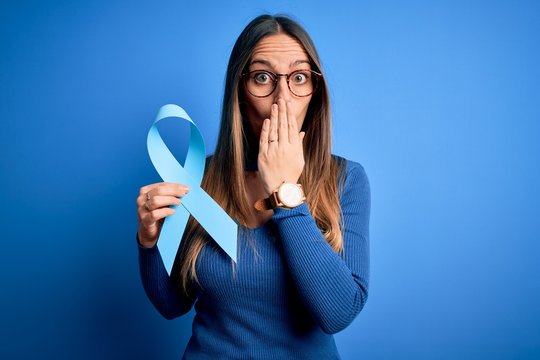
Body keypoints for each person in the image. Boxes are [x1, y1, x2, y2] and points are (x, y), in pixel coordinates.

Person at [135, 14, 370, 359]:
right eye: (262, 77)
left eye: (299, 78)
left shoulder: (346, 180)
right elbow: (172, 305)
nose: (282, 99)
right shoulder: (199, 179)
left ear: (315, 93)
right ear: (239, 91)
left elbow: (338, 312)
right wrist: (150, 241)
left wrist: (286, 190)